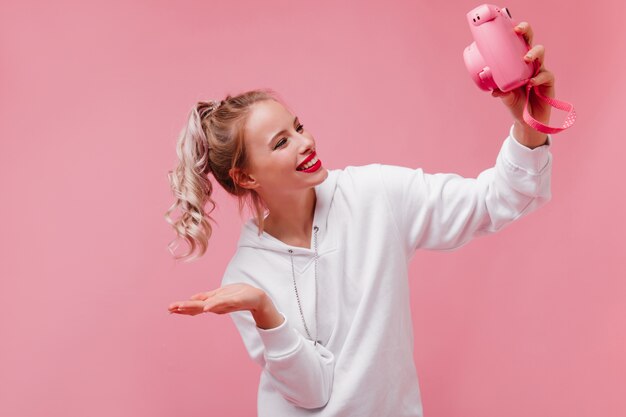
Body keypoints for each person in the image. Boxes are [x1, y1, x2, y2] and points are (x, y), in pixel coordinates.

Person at [165, 21, 554, 417]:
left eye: (298, 127)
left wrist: (528, 121)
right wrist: (264, 311)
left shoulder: (376, 194)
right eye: (282, 142)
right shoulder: (246, 275)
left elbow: (495, 201)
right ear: (247, 177)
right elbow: (312, 392)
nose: (306, 142)